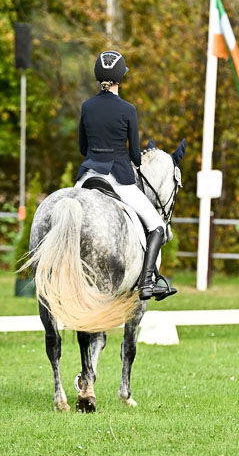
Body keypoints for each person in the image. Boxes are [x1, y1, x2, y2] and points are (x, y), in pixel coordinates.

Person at [75, 50, 176, 301]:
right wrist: (133, 161)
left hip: (87, 177)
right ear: (121, 78)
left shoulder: (87, 106)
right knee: (157, 225)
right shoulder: (128, 109)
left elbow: (82, 148)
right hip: (118, 179)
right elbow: (134, 155)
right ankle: (147, 282)